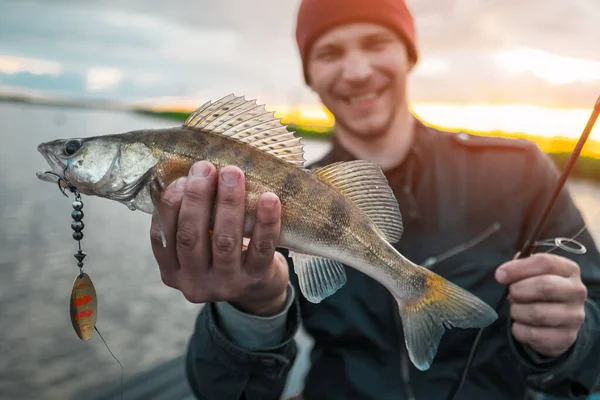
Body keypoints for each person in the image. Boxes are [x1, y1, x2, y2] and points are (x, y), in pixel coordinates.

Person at [149, 0, 600, 399]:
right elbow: (228, 392)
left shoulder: (519, 170)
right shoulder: (262, 199)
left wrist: (570, 339)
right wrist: (251, 311)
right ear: (311, 74)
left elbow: (591, 342)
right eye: (329, 52)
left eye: (375, 42)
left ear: (409, 53)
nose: (357, 70)